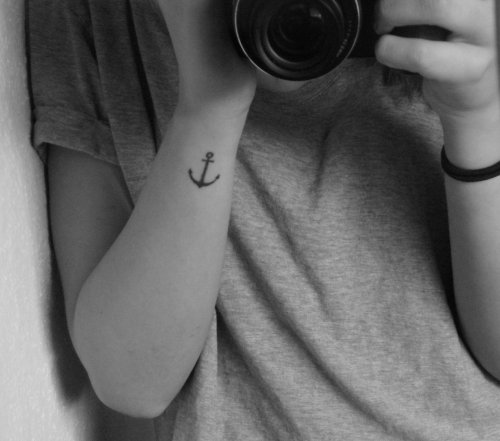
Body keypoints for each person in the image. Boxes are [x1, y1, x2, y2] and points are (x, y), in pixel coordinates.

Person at [28, 0, 500, 439]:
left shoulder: (467, 17)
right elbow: (131, 380)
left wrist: (477, 117)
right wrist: (210, 104)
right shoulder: (99, 13)